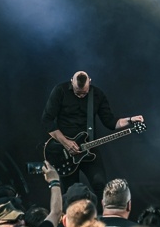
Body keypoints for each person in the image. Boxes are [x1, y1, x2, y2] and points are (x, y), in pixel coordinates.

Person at [41, 69, 145, 202]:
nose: (80, 96)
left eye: (84, 93)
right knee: (71, 193)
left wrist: (130, 120)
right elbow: (47, 121)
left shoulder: (97, 95)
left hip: (89, 148)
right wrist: (66, 143)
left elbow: (110, 122)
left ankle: (101, 214)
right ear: (71, 81)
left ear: (90, 82)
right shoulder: (60, 91)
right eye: (77, 93)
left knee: (101, 185)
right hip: (65, 152)